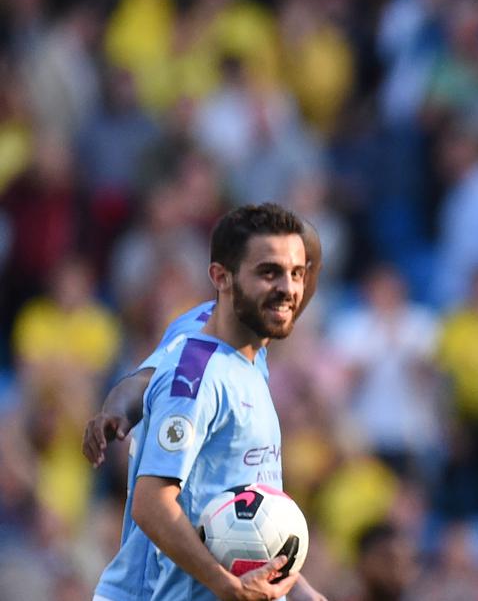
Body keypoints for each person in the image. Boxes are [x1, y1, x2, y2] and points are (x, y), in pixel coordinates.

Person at [92, 203, 325, 601]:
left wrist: (298, 590)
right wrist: (228, 586)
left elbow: (238, 505)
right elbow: (151, 505)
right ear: (221, 278)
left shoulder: (247, 346)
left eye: (296, 273)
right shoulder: (199, 374)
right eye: (269, 272)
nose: (288, 289)